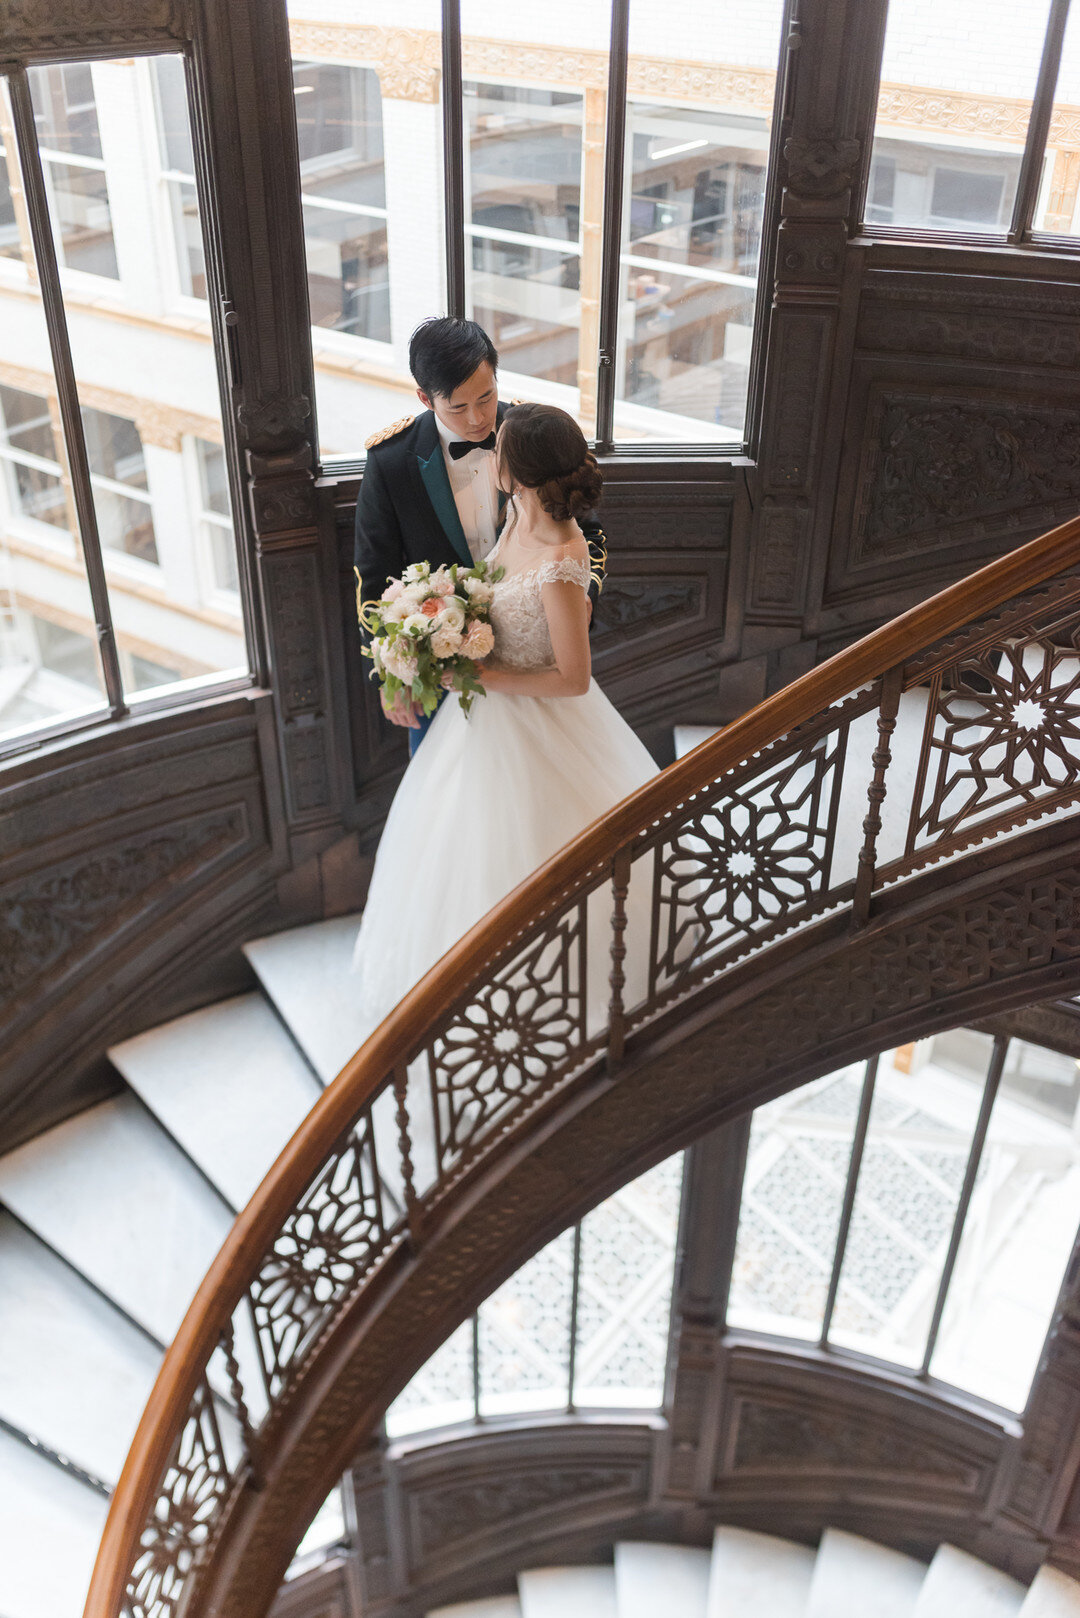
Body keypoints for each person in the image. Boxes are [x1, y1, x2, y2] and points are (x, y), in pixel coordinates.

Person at [352, 402, 658, 1042]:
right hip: (481, 725)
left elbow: (573, 679)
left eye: (502, 449)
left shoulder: (564, 560)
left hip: (540, 723)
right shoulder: (517, 514)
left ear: (518, 471)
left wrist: (486, 675)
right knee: (455, 847)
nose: (490, 449)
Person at [354, 316, 608, 752]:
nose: (477, 419)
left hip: (532, 670)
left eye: (487, 397)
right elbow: (373, 575)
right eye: (457, 406)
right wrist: (391, 671)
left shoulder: (534, 434)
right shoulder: (391, 461)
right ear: (425, 398)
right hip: (442, 667)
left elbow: (588, 533)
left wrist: (585, 595)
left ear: (496, 377)